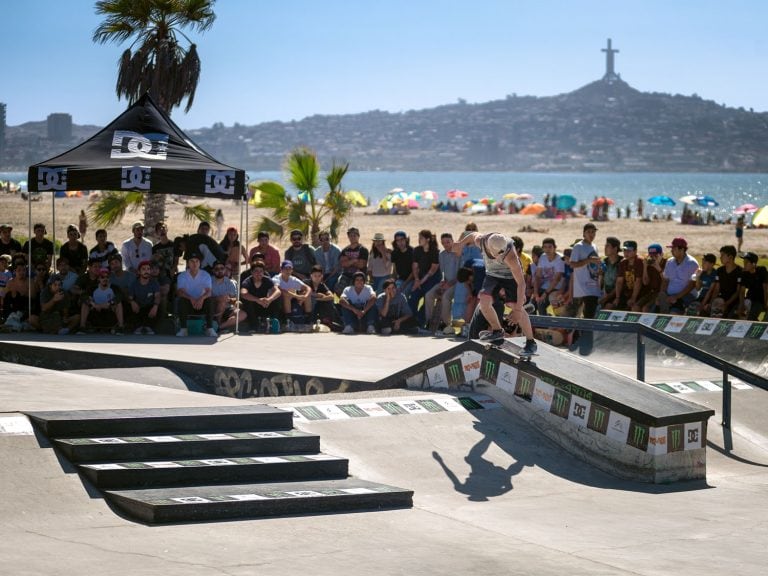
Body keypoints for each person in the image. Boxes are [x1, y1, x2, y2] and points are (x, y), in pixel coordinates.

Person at [452, 232, 537, 356]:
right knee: (484, 302)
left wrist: (518, 310)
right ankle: (497, 330)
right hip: (492, 275)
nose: (501, 255)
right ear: (489, 248)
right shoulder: (481, 241)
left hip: (510, 277)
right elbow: (472, 235)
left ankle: (531, 342)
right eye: (498, 254)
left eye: (503, 253)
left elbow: (522, 284)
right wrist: (460, 244)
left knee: (513, 305)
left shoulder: (511, 256)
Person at [568, 223, 602, 354]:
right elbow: (572, 264)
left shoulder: (595, 247)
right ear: (584, 233)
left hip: (593, 285)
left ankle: (583, 344)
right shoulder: (578, 247)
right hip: (582, 287)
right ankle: (584, 345)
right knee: (583, 315)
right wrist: (588, 260)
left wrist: (599, 270)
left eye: (593, 232)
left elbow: (594, 266)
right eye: (589, 232)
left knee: (589, 316)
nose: (592, 235)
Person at [424, 232, 459, 334]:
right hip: (446, 282)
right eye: (443, 243)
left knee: (445, 297)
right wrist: (443, 283)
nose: (446, 244)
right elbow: (442, 272)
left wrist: (449, 284)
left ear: (453, 241)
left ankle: (447, 324)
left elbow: (461, 274)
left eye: (448, 242)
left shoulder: (458, 254)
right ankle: (430, 321)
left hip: (457, 283)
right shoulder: (442, 255)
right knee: (429, 295)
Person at [175, 252, 216, 337]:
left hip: (201, 304)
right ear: (188, 263)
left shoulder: (205, 275)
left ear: (200, 263)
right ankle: (183, 329)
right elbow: (180, 292)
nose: (194, 263)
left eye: (197, 261)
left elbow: (209, 291)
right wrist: (191, 299)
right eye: (192, 261)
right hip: (189, 305)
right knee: (181, 300)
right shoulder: (182, 276)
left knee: (210, 300)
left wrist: (201, 299)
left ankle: (209, 328)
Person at [658, 237, 699, 314]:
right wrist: (662, 294)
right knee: (655, 310)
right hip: (670, 296)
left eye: (674, 248)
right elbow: (666, 280)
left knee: (673, 313)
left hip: (686, 296)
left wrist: (676, 297)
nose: (671, 250)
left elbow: (692, 285)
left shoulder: (692, 263)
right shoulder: (669, 262)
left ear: (682, 249)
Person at [408, 229, 441, 327]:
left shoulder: (435, 251)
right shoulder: (417, 250)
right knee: (413, 296)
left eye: (421, 238)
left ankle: (421, 321)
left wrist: (420, 282)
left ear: (428, 239)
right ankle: (410, 320)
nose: (419, 240)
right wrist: (417, 280)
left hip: (432, 279)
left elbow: (432, 271)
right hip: (420, 279)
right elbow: (414, 266)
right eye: (419, 238)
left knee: (427, 297)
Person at [78, 268, 126, 334]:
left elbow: (120, 296)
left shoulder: (115, 288)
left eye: (107, 277)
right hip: (95, 314)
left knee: (119, 303)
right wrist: (93, 304)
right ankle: (82, 327)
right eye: (102, 277)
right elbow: (83, 296)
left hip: (110, 315)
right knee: (85, 303)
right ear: (98, 279)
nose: (105, 279)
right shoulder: (92, 288)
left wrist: (109, 303)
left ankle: (120, 327)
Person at [701, 245, 742, 318]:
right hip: (720, 300)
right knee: (704, 311)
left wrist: (726, 304)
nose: (720, 257)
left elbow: (738, 291)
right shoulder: (720, 270)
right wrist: (711, 303)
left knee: (730, 316)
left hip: (734, 301)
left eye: (722, 255)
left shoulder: (740, 271)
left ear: (730, 257)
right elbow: (716, 290)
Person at [240, 261, 282, 331]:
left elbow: (278, 291)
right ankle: (254, 325)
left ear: (263, 272)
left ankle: (274, 321)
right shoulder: (247, 282)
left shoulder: (267, 279)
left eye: (261, 271)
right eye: (256, 271)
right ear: (252, 272)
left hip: (264, 305)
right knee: (247, 301)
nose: (259, 273)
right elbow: (243, 293)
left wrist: (270, 299)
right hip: (253, 308)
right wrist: (258, 300)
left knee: (277, 298)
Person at [125, 260, 161, 334]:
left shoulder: (154, 283)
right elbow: (130, 297)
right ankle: (138, 327)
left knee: (159, 306)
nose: (146, 271)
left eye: (148, 269)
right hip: (138, 308)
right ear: (139, 272)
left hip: (149, 307)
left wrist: (155, 306)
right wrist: (132, 302)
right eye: (143, 269)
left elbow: (157, 296)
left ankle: (149, 327)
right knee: (128, 306)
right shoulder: (134, 284)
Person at [210, 260, 246, 332]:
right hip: (213, 307)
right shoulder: (208, 280)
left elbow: (234, 299)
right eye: (217, 269)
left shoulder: (230, 282)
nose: (220, 271)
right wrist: (219, 298)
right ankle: (217, 323)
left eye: (222, 268)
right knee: (222, 301)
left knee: (243, 314)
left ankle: (219, 327)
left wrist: (229, 299)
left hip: (228, 307)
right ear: (213, 270)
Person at [532, 237, 564, 315]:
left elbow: (557, 279)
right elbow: (538, 276)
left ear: (555, 247)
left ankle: (547, 323)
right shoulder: (543, 257)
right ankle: (536, 324)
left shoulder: (560, 259)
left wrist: (545, 294)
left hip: (557, 287)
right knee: (532, 303)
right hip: (545, 286)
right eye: (545, 247)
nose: (547, 249)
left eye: (550, 247)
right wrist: (535, 292)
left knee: (542, 302)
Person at [613, 240, 644, 311]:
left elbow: (638, 281)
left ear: (635, 251)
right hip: (627, 293)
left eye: (629, 250)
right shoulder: (623, 263)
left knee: (634, 307)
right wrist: (617, 297)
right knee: (613, 306)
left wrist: (633, 298)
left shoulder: (639, 262)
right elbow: (619, 282)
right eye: (625, 250)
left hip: (641, 293)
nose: (626, 253)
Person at [336, 227, 368, 295]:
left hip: (359, 275)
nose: (352, 237)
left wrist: (348, 261)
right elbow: (343, 264)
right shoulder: (345, 250)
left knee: (354, 292)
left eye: (354, 235)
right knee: (338, 290)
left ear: (358, 236)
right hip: (346, 275)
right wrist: (354, 260)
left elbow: (361, 265)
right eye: (350, 235)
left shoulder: (363, 249)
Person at [738, 252, 767, 320]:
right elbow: (742, 291)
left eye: (746, 262)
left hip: (759, 301)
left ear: (753, 264)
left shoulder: (761, 270)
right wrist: (741, 304)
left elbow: (765, 289)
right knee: (736, 314)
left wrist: (765, 304)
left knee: (750, 318)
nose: (744, 264)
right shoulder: (744, 273)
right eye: (743, 262)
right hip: (748, 300)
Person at [599, 237, 622, 310]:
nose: (605, 248)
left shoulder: (621, 262)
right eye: (605, 246)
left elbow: (620, 283)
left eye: (607, 246)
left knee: (608, 307)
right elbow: (601, 280)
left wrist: (607, 297)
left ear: (615, 249)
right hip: (605, 294)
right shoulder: (604, 261)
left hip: (618, 294)